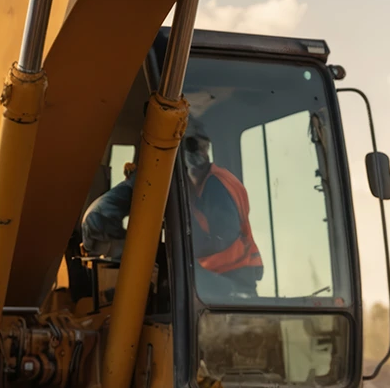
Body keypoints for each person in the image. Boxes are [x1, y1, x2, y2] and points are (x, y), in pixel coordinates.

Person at [80, 119, 264, 298]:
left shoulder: (216, 186)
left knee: (165, 283)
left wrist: (160, 246)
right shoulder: (196, 187)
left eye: (200, 146)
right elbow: (96, 219)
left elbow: (220, 241)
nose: (202, 152)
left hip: (230, 284)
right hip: (217, 279)